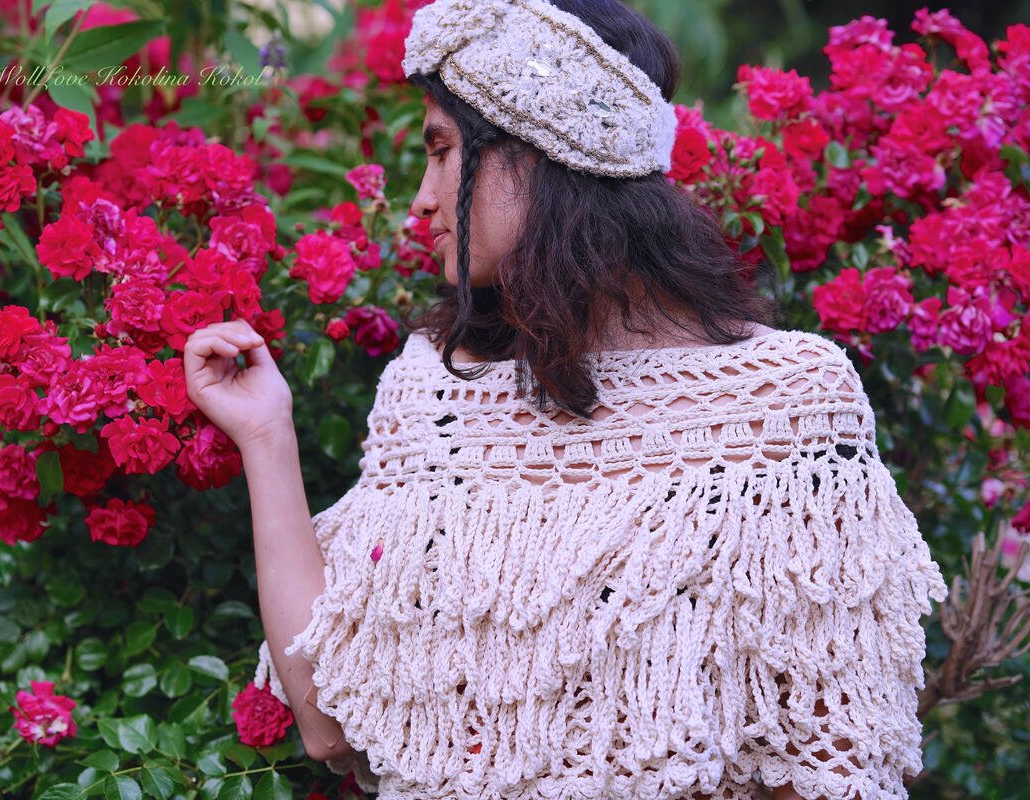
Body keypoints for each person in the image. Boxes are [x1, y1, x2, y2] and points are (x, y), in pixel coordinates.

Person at [183, 0, 949, 798]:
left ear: (540, 153)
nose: (422, 199)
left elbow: (831, 766)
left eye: (443, 152)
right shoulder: (435, 394)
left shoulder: (783, 404)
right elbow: (328, 720)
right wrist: (265, 435)